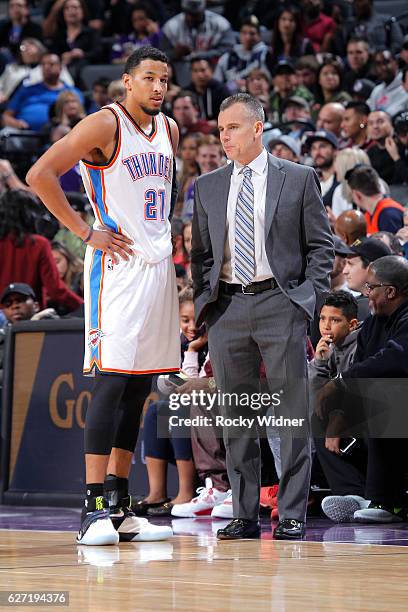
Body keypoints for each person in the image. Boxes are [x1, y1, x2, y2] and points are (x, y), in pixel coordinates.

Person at [26, 46, 180, 546]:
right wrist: (83, 231)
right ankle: (92, 508)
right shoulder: (103, 124)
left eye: (165, 79)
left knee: (138, 390)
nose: (159, 87)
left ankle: (119, 506)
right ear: (128, 81)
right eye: (150, 78)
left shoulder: (171, 130)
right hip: (115, 270)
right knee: (111, 384)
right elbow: (39, 175)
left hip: (156, 269)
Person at [191, 93, 334, 540]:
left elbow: (321, 247)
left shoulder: (298, 177)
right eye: (219, 130)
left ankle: (291, 513)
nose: (222, 137)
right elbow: (200, 255)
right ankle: (244, 512)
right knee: (236, 418)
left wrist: (305, 301)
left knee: (290, 416)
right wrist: (204, 303)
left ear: (257, 127)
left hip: (280, 303)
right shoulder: (210, 185)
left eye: (231, 128)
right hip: (228, 306)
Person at [316, 256, 408, 523]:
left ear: (390, 292)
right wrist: (339, 415)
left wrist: (340, 383)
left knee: (385, 394)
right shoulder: (375, 323)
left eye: (370, 287)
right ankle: (355, 494)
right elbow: (360, 372)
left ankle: (387, 501)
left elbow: (394, 360)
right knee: (321, 411)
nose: (364, 293)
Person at [0, 189, 83, 312]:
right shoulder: (38, 244)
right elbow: (55, 289)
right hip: (32, 319)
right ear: (30, 214)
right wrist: (84, 306)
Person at [214, 15, 271, 93]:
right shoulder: (228, 56)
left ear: (259, 35)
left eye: (252, 33)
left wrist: (248, 84)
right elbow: (216, 84)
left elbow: (269, 81)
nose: (248, 37)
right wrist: (232, 85)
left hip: (256, 98)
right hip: (231, 99)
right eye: (244, 33)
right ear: (239, 34)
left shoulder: (265, 54)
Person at [343, 236, 391, 321]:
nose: (344, 271)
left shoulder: (384, 309)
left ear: (372, 269)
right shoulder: (357, 303)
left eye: (350, 264)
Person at [346, 165, 404, 234]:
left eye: (351, 193)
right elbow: (361, 241)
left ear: (357, 195)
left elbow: (395, 244)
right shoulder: (370, 213)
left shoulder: (387, 215)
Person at [368, 50, 408, 118]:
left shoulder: (406, 86)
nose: (383, 67)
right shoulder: (376, 90)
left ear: (396, 63)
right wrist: (361, 125)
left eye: (386, 62)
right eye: (378, 64)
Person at [305, 129, 338, 209]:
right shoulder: (311, 182)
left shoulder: (342, 179)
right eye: (313, 148)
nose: (317, 152)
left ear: (335, 151)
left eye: (322, 146)